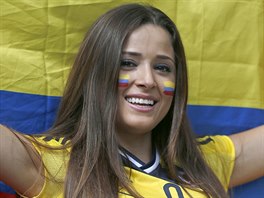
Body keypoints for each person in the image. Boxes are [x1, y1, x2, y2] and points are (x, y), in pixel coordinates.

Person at [0, 3, 263, 198]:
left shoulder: (201, 161)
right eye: (127, 63)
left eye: (163, 68)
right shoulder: (53, 163)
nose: (147, 80)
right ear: (95, 73)